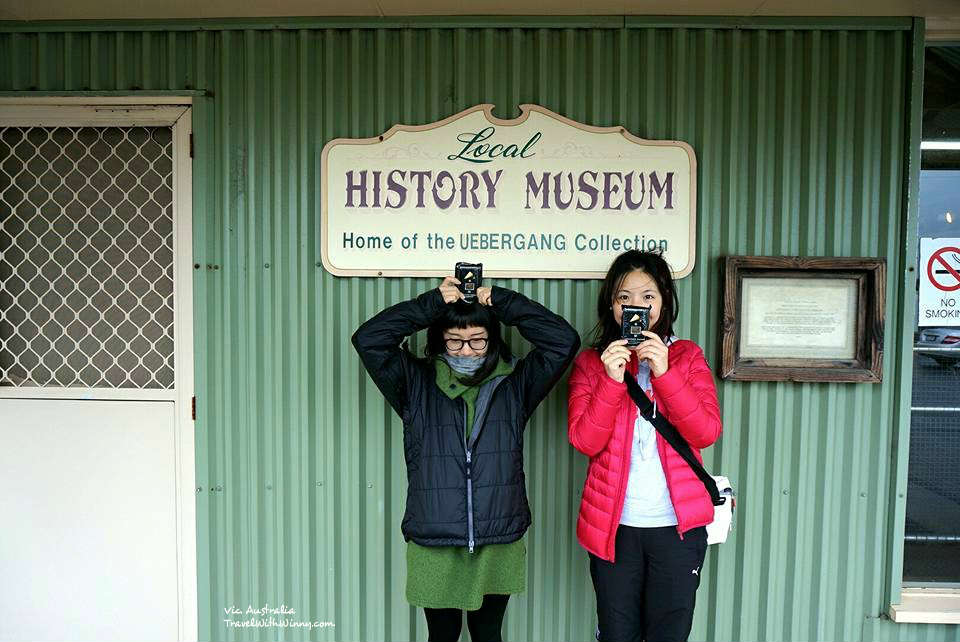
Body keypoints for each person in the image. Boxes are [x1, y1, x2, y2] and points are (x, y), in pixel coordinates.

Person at [352, 276, 580, 642]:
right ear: (439, 339)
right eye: (454, 340)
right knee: (441, 635)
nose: (466, 351)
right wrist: (431, 304)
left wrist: (503, 302)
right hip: (434, 536)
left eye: (477, 340)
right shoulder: (415, 382)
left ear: (492, 339)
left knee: (488, 633)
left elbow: (562, 341)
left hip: (497, 534)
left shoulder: (516, 384)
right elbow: (369, 339)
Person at [567, 250, 722, 642]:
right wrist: (610, 380)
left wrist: (666, 373)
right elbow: (585, 440)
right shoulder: (592, 363)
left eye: (648, 296)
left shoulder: (687, 356)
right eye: (624, 297)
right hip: (615, 528)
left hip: (677, 527)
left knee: (668, 633)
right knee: (618, 634)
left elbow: (705, 432)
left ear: (665, 300)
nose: (636, 306)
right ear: (611, 304)